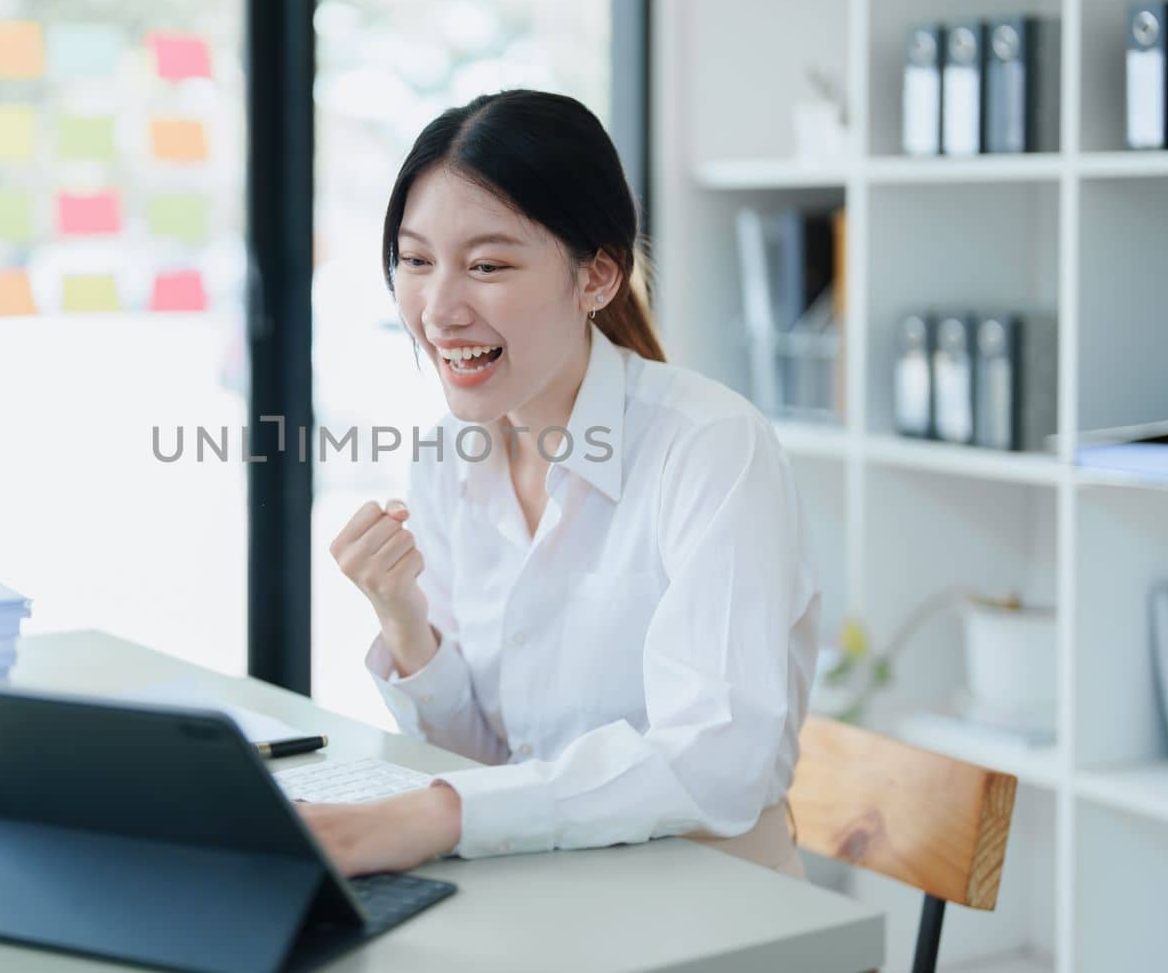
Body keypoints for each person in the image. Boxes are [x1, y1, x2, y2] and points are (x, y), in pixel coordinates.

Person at [301, 89, 819, 880]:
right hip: (539, 881)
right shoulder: (447, 456)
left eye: (488, 266)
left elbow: (718, 760)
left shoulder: (710, 446)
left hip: (707, 902)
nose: (439, 310)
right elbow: (496, 760)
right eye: (415, 260)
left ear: (598, 276)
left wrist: (438, 812)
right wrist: (405, 621)